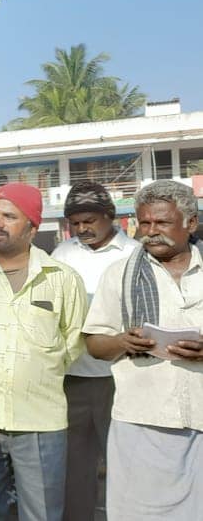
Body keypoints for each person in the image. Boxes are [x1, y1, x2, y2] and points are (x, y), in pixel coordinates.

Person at [0, 182, 87, 521]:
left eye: (9, 216)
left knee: (42, 513)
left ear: (32, 227)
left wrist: (35, 372)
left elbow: (73, 344)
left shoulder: (61, 278)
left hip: (39, 420)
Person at [82, 180, 203, 520]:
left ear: (191, 223)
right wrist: (122, 341)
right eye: (144, 223)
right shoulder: (119, 275)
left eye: (162, 222)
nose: (151, 232)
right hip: (143, 420)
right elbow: (94, 344)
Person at [48, 181, 138, 521]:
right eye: (75, 222)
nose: (82, 228)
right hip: (73, 378)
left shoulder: (134, 254)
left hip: (120, 376)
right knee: (75, 464)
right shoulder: (62, 254)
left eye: (89, 221)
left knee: (123, 460)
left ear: (109, 216)